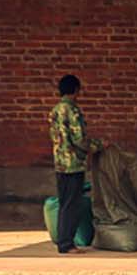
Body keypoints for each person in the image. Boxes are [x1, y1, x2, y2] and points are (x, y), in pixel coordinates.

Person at [50, 73, 99, 254]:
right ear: (76, 90)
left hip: (60, 163)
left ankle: (63, 241)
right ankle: (66, 244)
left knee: (64, 203)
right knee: (72, 204)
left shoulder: (54, 110)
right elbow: (79, 139)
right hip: (73, 164)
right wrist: (98, 145)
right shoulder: (73, 110)